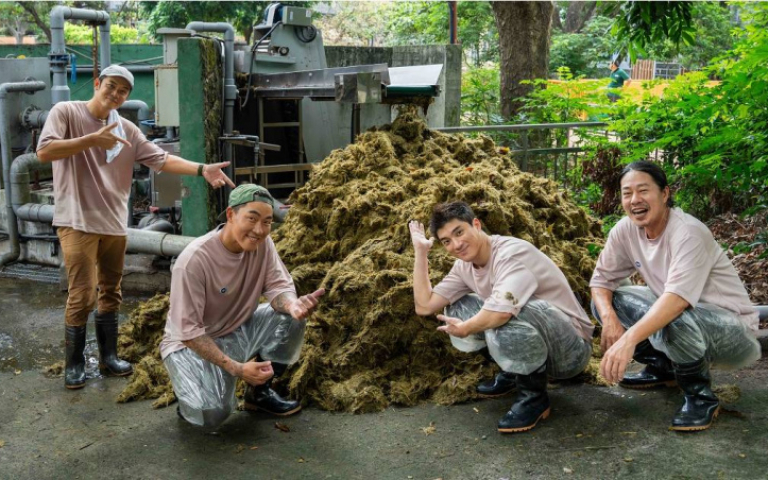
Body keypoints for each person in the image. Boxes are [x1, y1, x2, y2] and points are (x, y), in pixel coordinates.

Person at [36, 65, 235, 390]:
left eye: (123, 91)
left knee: (112, 292)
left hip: (114, 223)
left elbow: (159, 159)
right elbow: (44, 151)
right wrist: (91, 139)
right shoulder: (66, 112)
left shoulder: (126, 129)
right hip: (76, 220)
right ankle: (74, 364)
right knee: (83, 294)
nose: (115, 94)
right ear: (98, 83)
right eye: (111, 87)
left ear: (127, 96)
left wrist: (201, 169)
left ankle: (109, 357)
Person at [591, 160, 761, 431]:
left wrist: (627, 340)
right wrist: (610, 318)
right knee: (607, 302)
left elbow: (676, 301)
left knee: (671, 316)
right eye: (627, 193)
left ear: (665, 194)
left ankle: (700, 395)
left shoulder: (687, 232)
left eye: (643, 190)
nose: (635, 200)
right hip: (686, 319)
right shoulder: (625, 230)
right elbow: (601, 280)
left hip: (732, 331)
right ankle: (664, 369)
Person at [409, 202, 594, 433]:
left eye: (459, 232)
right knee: (460, 304)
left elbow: (500, 313)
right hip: (538, 340)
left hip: (570, 351)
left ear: (475, 224)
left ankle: (534, 397)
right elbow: (425, 306)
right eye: (446, 241)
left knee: (505, 310)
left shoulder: (511, 253)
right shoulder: (464, 267)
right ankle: (514, 371)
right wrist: (421, 252)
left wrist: (467, 328)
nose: (456, 244)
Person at [160, 184, 324, 428]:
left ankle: (260, 393)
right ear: (230, 215)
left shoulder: (263, 244)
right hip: (192, 344)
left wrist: (292, 306)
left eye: (267, 222)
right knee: (212, 415)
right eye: (252, 218)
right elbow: (189, 333)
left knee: (291, 318)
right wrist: (236, 369)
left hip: (236, 329)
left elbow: (278, 286)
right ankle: (191, 390)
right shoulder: (195, 260)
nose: (259, 230)